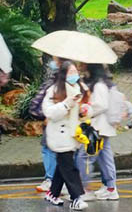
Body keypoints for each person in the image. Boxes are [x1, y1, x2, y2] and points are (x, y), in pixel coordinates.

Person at [42, 60, 89, 209]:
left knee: (62, 167)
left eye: (76, 72)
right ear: (63, 74)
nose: (74, 75)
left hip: (73, 136)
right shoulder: (54, 90)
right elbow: (49, 112)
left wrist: (84, 112)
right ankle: (76, 198)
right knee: (69, 168)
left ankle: (52, 194)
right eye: (70, 72)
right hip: (59, 136)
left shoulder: (80, 89)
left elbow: (83, 113)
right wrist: (67, 104)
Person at [77, 64, 119, 201]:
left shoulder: (99, 85)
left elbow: (101, 105)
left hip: (98, 127)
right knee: (104, 158)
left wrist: (87, 109)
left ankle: (84, 189)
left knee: (85, 157)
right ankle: (111, 188)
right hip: (101, 127)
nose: (81, 68)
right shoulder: (98, 84)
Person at [31, 56, 60, 194]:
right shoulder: (72, 85)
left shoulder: (49, 84)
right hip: (66, 127)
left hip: (51, 125)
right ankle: (60, 182)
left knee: (48, 151)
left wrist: (45, 114)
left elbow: (34, 106)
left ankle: (50, 180)